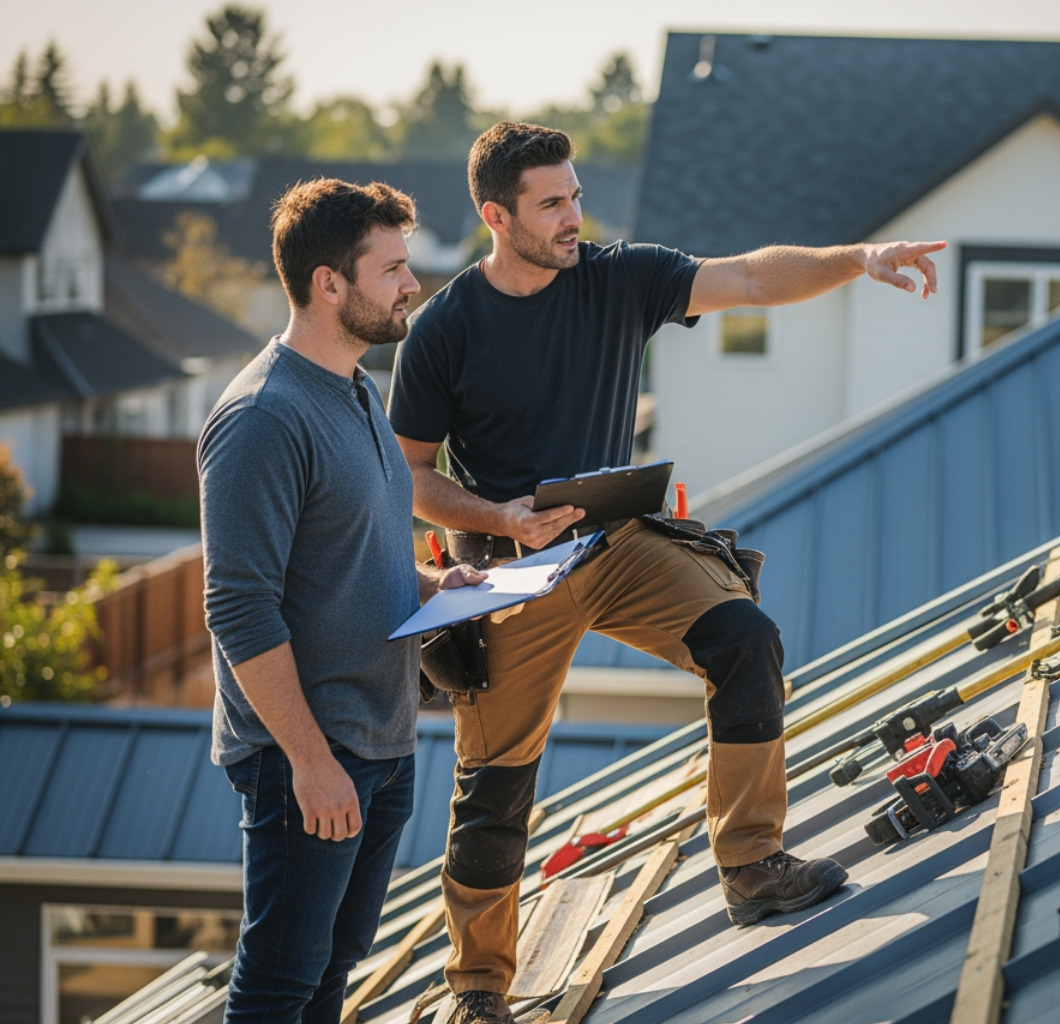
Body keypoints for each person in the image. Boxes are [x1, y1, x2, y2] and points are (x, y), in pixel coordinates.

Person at [388, 121, 943, 1024]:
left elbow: (756, 275)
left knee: (745, 637)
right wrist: (499, 519)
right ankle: (479, 988)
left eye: (575, 195)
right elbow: (405, 474)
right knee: (494, 785)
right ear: (497, 215)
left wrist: (862, 258)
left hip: (617, 545)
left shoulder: (619, 277)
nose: (575, 216)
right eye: (552, 204)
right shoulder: (446, 328)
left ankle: (752, 864)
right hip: (506, 573)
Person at [199, 177, 487, 1023]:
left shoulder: (360, 390)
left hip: (382, 737)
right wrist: (311, 764)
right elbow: (239, 607)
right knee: (280, 982)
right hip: (310, 757)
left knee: (332, 974)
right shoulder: (262, 417)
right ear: (330, 283)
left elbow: (352, 561)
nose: (412, 285)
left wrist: (443, 588)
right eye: (394, 267)